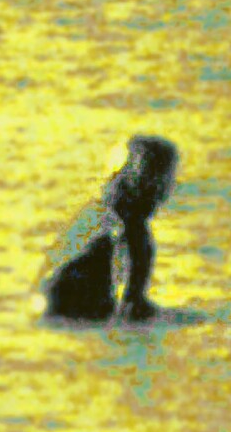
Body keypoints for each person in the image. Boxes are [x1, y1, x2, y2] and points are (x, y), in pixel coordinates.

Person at [40, 136, 179, 323]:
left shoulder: (94, 217)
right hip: (78, 319)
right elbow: (131, 311)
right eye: (168, 179)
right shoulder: (126, 233)